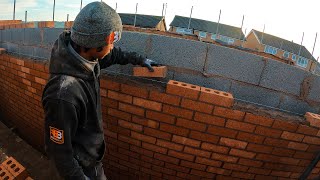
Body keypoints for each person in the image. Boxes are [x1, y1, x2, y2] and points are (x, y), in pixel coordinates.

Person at [42, 2, 159, 180]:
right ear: (95, 44)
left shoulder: (85, 59)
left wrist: (140, 59)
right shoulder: (63, 94)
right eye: (111, 40)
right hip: (79, 170)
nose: (112, 46)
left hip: (92, 161)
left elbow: (114, 55)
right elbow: (59, 154)